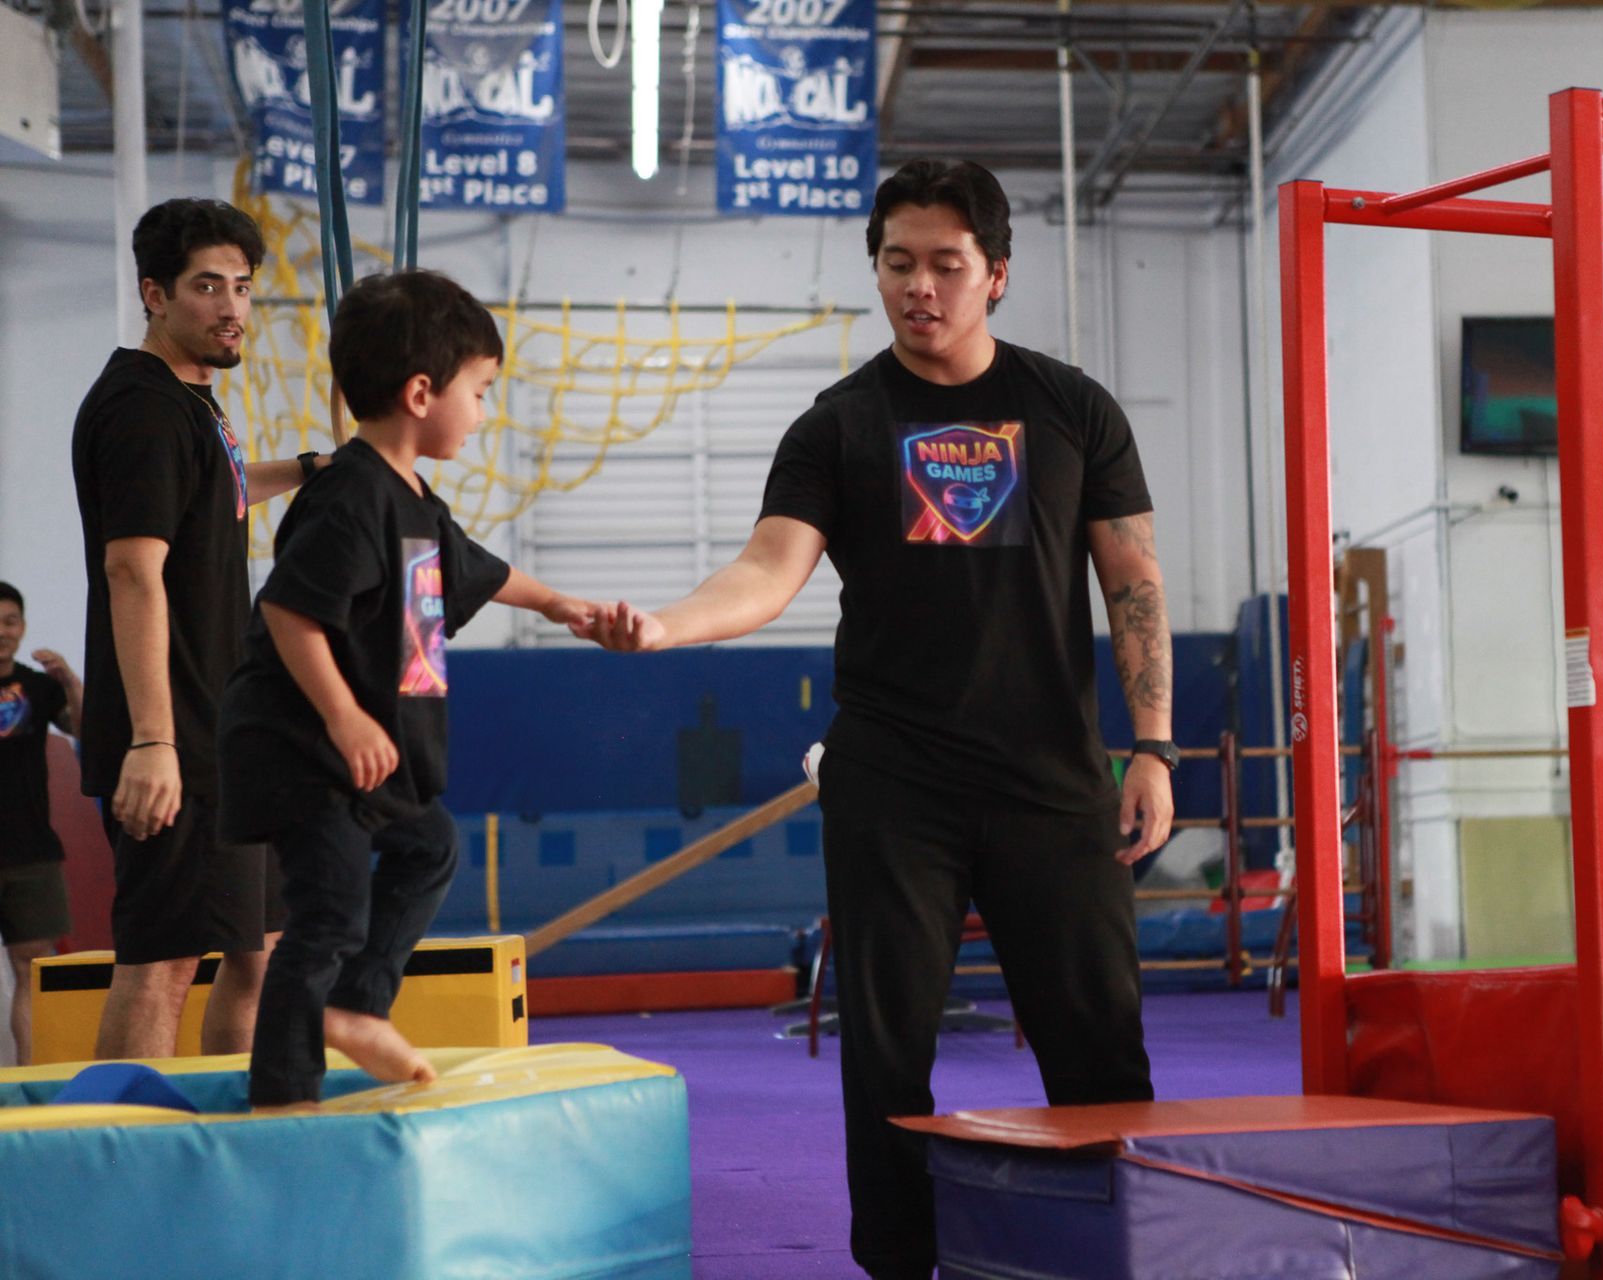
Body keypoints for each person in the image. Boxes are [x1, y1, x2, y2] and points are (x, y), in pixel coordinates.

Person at [619, 159, 1175, 1279]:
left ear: (997, 274)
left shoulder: (1073, 410)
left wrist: (1154, 745)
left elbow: (1134, 582)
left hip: (1050, 777)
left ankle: (1114, 1252)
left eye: (947, 265)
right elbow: (768, 568)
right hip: (894, 784)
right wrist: (669, 625)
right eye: (898, 263)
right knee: (886, 1052)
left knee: (1100, 1040)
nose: (920, 286)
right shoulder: (838, 426)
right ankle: (902, 1263)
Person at [217, 269, 642, 1107]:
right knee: (327, 914)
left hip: (359, 757)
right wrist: (344, 717)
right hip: (306, 750)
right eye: (478, 393)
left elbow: (477, 570)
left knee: (429, 846)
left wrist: (560, 604)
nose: (483, 413)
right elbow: (291, 612)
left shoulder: (414, 500)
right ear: (421, 394)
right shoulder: (349, 495)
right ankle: (283, 1095)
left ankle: (355, 1006)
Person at [71, 197, 332, 1061]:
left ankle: (236, 1125)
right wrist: (154, 742)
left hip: (222, 730)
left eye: (242, 287)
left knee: (259, 955)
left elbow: (219, 488)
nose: (231, 308)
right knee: (164, 964)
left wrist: (313, 469)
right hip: (172, 734)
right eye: (207, 287)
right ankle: (119, 1140)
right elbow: (131, 570)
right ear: (154, 294)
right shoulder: (142, 409)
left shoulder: (192, 405)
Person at [0, 582, 85, 1065]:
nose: (2, 631)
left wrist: (70, 680)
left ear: (23, 627)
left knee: (33, 970)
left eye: (10, 621)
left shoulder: (40, 687)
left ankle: (31, 1081)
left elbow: (89, 733)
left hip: (31, 853)